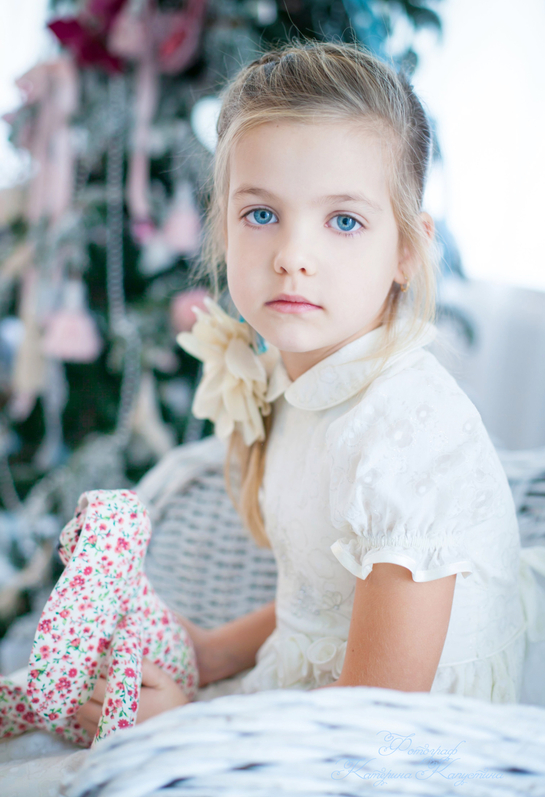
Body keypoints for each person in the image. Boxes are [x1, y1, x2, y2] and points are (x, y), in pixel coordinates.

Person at [77, 38, 545, 737]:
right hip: (310, 709)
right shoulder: (311, 377)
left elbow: (374, 727)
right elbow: (333, 590)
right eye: (261, 215)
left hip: (402, 752)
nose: (293, 257)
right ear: (224, 228)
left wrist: (182, 730)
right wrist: (214, 653)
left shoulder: (406, 431)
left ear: (406, 250)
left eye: (344, 221)